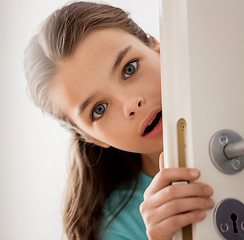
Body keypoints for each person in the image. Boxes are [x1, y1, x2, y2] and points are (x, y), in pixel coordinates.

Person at [24, 2, 214, 239]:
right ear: (91, 137)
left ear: (157, 48)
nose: (130, 105)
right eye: (99, 109)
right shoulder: (116, 228)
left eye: (129, 69)